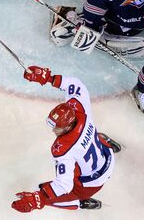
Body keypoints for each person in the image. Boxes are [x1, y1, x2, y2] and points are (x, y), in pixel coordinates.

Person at [11, 66, 121, 212]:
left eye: (57, 127)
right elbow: (76, 85)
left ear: (68, 127)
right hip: (107, 156)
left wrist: (39, 198)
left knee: (45, 193)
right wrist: (49, 78)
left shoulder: (64, 149)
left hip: (91, 184)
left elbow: (64, 185)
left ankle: (81, 203)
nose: (53, 130)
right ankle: (105, 141)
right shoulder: (80, 109)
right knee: (92, 137)